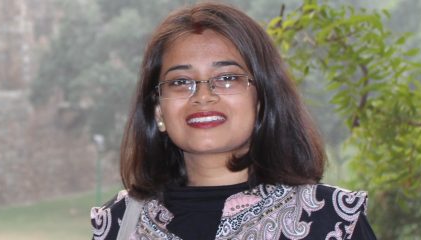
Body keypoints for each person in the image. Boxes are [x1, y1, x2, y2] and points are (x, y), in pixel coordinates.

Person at [90, 2, 376, 240]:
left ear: (262, 98)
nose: (203, 96)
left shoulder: (332, 221)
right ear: (157, 109)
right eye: (180, 81)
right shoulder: (119, 224)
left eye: (227, 78)